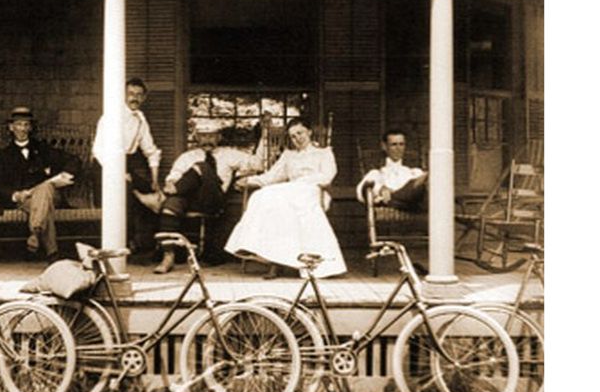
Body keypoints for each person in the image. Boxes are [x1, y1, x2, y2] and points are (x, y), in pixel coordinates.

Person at [225, 117, 347, 279]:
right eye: (293, 136)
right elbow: (271, 177)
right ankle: (261, 251)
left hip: (313, 191)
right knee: (261, 196)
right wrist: (249, 180)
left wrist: (302, 182)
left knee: (274, 197)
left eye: (300, 133)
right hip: (290, 193)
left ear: (309, 132)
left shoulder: (324, 153)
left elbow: (326, 178)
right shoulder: (288, 155)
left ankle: (281, 263)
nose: (298, 138)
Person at [152, 122, 266, 274]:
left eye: (211, 136)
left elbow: (258, 164)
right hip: (190, 199)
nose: (207, 140)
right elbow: (172, 178)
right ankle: (168, 256)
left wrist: (264, 139)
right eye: (203, 136)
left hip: (214, 200)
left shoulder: (230, 154)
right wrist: (172, 182)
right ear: (197, 138)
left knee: (201, 166)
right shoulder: (187, 157)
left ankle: (170, 194)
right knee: (170, 206)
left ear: (219, 137)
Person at [0, 106, 82, 262]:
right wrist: (16, 195)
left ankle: (35, 233)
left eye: (26, 125)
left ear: (31, 127)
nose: (22, 129)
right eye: (18, 124)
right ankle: (52, 254)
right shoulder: (4, 155)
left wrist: (66, 174)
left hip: (52, 196)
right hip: (25, 200)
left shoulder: (42, 148)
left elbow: (74, 160)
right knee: (42, 205)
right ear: (11, 127)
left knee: (46, 187)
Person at [92, 77, 162, 260]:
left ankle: (149, 246)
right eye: (131, 94)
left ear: (144, 98)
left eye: (139, 95)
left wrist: (154, 180)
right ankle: (125, 246)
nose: (134, 98)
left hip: (126, 164)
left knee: (155, 195)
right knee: (125, 195)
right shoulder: (111, 116)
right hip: (104, 167)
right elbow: (98, 150)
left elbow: (151, 150)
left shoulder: (140, 119)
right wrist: (118, 174)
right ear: (123, 95)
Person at [355, 129, 428, 211]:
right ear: (384, 146)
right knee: (423, 178)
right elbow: (360, 191)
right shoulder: (377, 173)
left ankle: (395, 199)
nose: (398, 148)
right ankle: (395, 199)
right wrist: (380, 189)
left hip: (412, 205)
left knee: (422, 181)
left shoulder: (412, 172)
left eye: (401, 144)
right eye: (394, 144)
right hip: (391, 204)